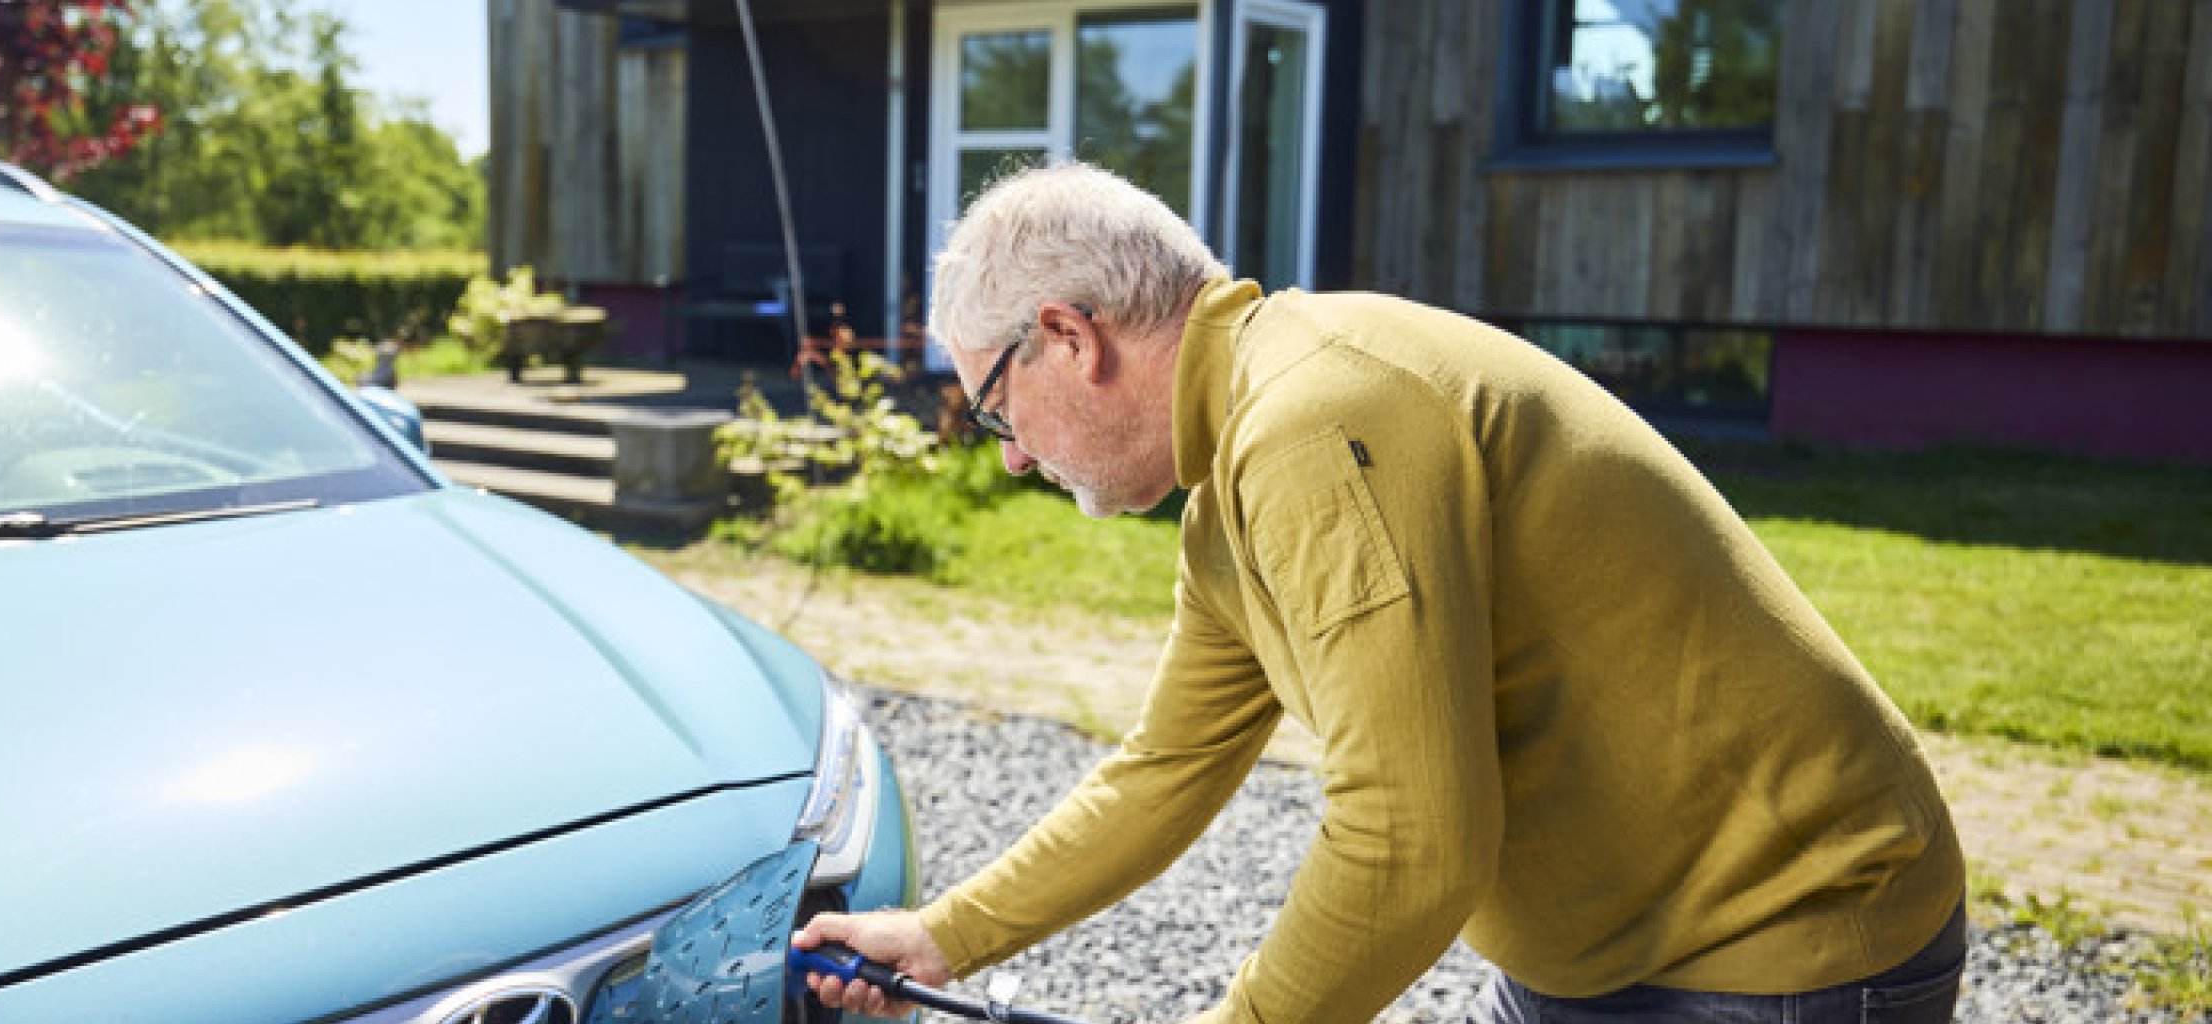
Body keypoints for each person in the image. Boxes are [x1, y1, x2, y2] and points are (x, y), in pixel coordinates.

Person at [790, 162, 1968, 1023]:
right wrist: (944, 936)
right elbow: (1164, 771)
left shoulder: (1311, 425)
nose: (1005, 452)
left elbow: (1412, 839)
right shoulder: (1234, 481)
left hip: (1789, 936)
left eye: (995, 406)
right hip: (1608, 949)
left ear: (1067, 337)